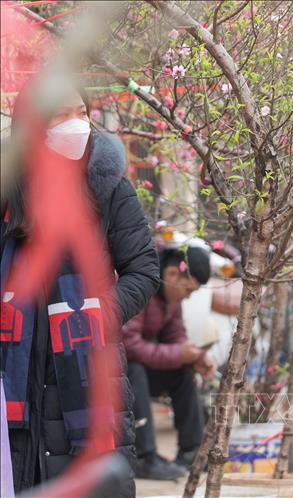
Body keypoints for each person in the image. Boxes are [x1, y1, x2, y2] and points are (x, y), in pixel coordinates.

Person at [1, 82, 160, 497]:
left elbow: (143, 268)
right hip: (12, 378)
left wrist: (97, 315)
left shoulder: (108, 188)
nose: (77, 125)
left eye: (82, 112)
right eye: (61, 114)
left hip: (85, 372)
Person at [123, 247, 216, 480]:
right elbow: (128, 345)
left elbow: (177, 337)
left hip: (140, 368)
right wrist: (178, 353)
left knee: (183, 372)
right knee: (133, 370)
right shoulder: (142, 287)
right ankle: (144, 457)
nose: (188, 296)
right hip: (113, 372)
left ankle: (190, 450)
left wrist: (194, 357)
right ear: (173, 274)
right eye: (189, 289)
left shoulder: (171, 298)